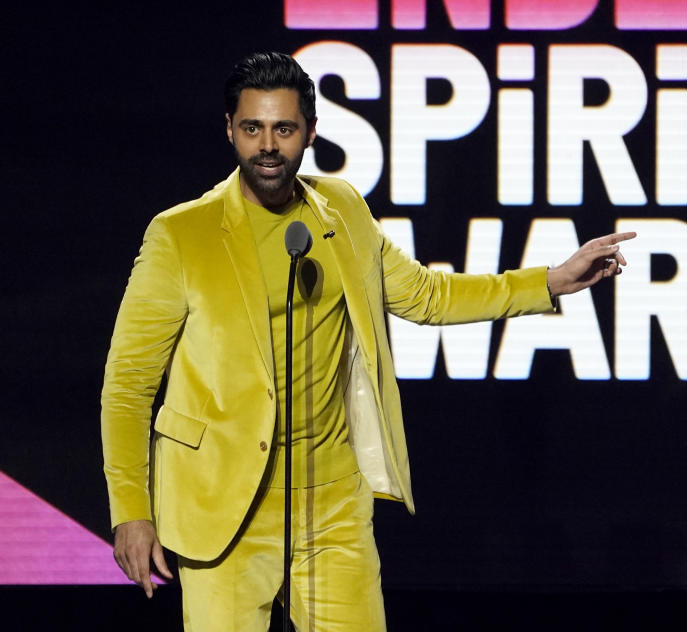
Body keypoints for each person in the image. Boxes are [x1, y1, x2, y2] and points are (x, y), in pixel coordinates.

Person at [102, 51, 635, 631]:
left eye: (284, 128)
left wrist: (549, 281)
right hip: (222, 504)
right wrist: (131, 510)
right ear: (229, 130)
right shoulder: (181, 234)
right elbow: (129, 385)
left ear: (309, 132)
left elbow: (427, 295)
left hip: (330, 501)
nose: (268, 145)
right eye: (252, 127)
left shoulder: (344, 211)